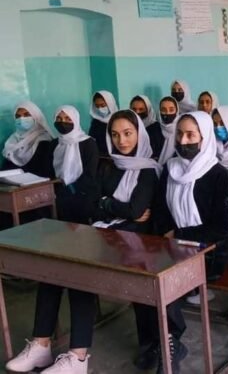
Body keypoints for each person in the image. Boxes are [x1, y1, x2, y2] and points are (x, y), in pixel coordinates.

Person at [4, 106, 99, 374]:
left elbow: (90, 186)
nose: (63, 122)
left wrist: (64, 195)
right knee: (50, 274)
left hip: (85, 221)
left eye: (68, 118)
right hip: (58, 218)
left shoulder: (90, 144)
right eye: (59, 118)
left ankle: (78, 357)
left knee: (79, 278)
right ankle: (41, 344)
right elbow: (48, 178)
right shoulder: (56, 145)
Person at [152, 111, 228, 372]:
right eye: (179, 134)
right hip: (173, 244)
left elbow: (221, 227)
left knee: (164, 280)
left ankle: (170, 340)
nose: (183, 140)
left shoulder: (217, 174)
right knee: (148, 277)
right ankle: (164, 340)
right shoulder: (170, 168)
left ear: (204, 138)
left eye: (190, 135)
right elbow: (160, 210)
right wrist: (169, 234)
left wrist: (179, 235)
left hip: (208, 252)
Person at [89, 110, 164, 370]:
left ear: (139, 134)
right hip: (114, 236)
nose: (121, 141)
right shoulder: (110, 165)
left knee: (144, 293)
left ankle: (155, 344)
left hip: (143, 241)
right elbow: (94, 206)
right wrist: (111, 206)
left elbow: (135, 210)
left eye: (128, 133)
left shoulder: (148, 170)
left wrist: (107, 204)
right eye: (115, 135)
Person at [2, 101, 54, 177]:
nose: (21, 119)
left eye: (26, 115)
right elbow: (5, 168)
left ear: (36, 117)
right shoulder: (12, 140)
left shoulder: (45, 141)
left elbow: (45, 171)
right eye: (18, 116)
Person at [148, 96, 180, 163]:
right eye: (163, 110)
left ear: (177, 111)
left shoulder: (182, 129)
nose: (167, 113)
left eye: (171, 110)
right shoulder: (152, 129)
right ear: (159, 111)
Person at [88, 90, 118, 156]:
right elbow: (92, 139)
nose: (100, 109)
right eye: (97, 106)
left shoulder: (119, 119)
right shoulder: (96, 121)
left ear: (110, 104)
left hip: (117, 156)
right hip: (101, 156)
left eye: (102, 105)